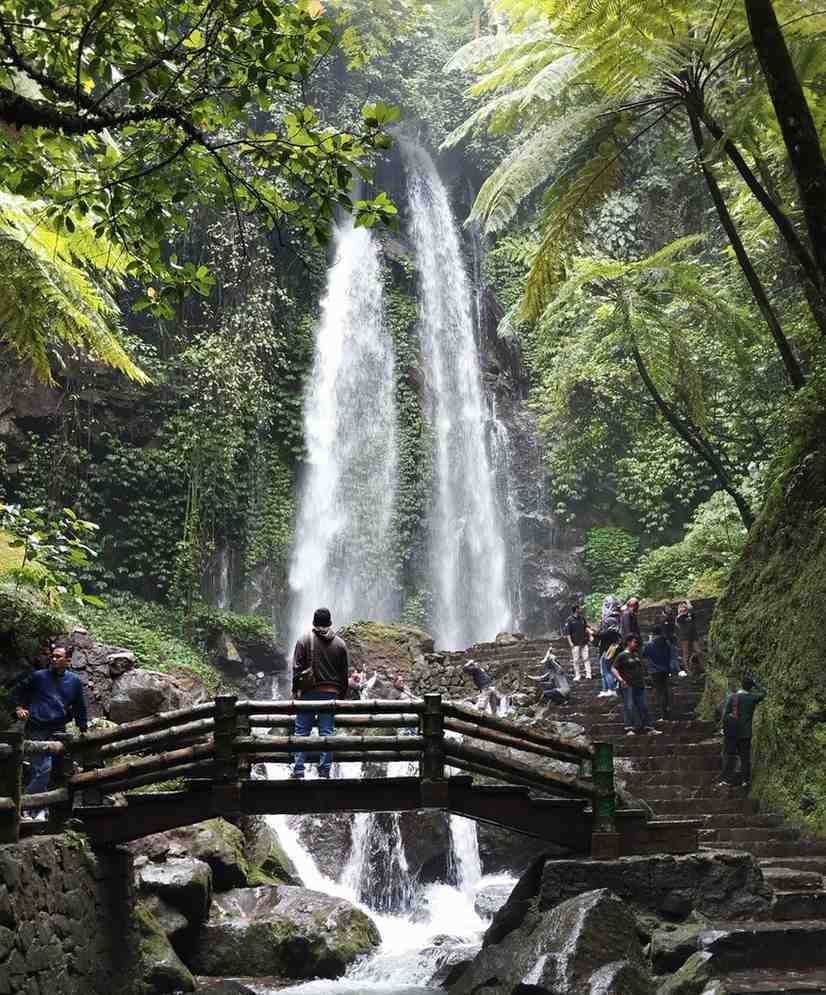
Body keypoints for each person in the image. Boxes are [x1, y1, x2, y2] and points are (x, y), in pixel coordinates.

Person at [13, 643, 88, 811]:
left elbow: (79, 706)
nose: (53, 659)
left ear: (68, 660)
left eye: (58, 657)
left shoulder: (74, 682)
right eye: (52, 656)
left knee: (53, 772)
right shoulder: (38, 676)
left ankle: (39, 810)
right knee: (42, 769)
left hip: (59, 730)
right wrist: (19, 708)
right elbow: (18, 691)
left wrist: (83, 728)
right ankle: (22, 806)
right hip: (36, 727)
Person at [290, 607, 349, 780]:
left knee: (301, 732)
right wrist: (342, 696)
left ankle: (299, 770)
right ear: (330, 623)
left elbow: (296, 670)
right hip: (331, 694)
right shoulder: (340, 644)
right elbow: (343, 675)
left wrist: (296, 692)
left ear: (314, 622)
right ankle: (324, 771)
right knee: (327, 733)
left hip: (308, 693)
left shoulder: (303, 640)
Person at [720, 675, 767, 787]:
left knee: (729, 755)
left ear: (741, 685)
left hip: (732, 732)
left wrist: (724, 728)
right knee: (745, 757)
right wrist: (756, 684)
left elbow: (725, 715)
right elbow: (764, 693)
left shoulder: (733, 697)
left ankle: (726, 779)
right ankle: (745, 780)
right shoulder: (752, 698)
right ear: (751, 687)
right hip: (745, 733)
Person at [611, 634, 662, 736]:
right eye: (634, 642)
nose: (636, 644)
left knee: (644, 706)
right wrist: (621, 680)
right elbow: (613, 668)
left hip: (639, 684)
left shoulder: (635, 655)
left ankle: (649, 727)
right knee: (629, 706)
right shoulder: (622, 655)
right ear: (628, 642)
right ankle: (629, 728)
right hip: (628, 685)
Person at [642, 626, 672, 722]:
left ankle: (663, 715)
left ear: (653, 634)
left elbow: (644, 654)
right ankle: (666, 711)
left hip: (655, 671)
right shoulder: (667, 643)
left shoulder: (649, 644)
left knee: (660, 692)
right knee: (664, 690)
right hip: (665, 669)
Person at [596, 599, 622, 698]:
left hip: (607, 648)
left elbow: (607, 634)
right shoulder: (617, 619)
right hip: (612, 647)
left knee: (606, 670)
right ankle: (605, 689)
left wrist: (595, 634)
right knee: (606, 670)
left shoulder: (609, 620)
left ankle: (611, 689)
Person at [563, 604, 591, 681]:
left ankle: (588, 674)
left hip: (584, 642)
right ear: (576, 609)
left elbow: (586, 627)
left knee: (586, 658)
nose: (581, 609)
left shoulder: (582, 618)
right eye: (579, 608)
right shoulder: (570, 620)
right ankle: (577, 675)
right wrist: (570, 642)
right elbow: (568, 632)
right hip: (575, 643)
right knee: (576, 660)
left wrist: (590, 636)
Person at [675, 601, 702, 676]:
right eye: (682, 607)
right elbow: (678, 624)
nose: (684, 608)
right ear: (680, 609)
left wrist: (687, 602)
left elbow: (691, 609)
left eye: (685, 606)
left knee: (699, 652)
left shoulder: (690, 615)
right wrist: (682, 611)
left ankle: (700, 667)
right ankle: (688, 670)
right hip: (685, 638)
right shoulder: (679, 617)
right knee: (686, 654)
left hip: (694, 636)